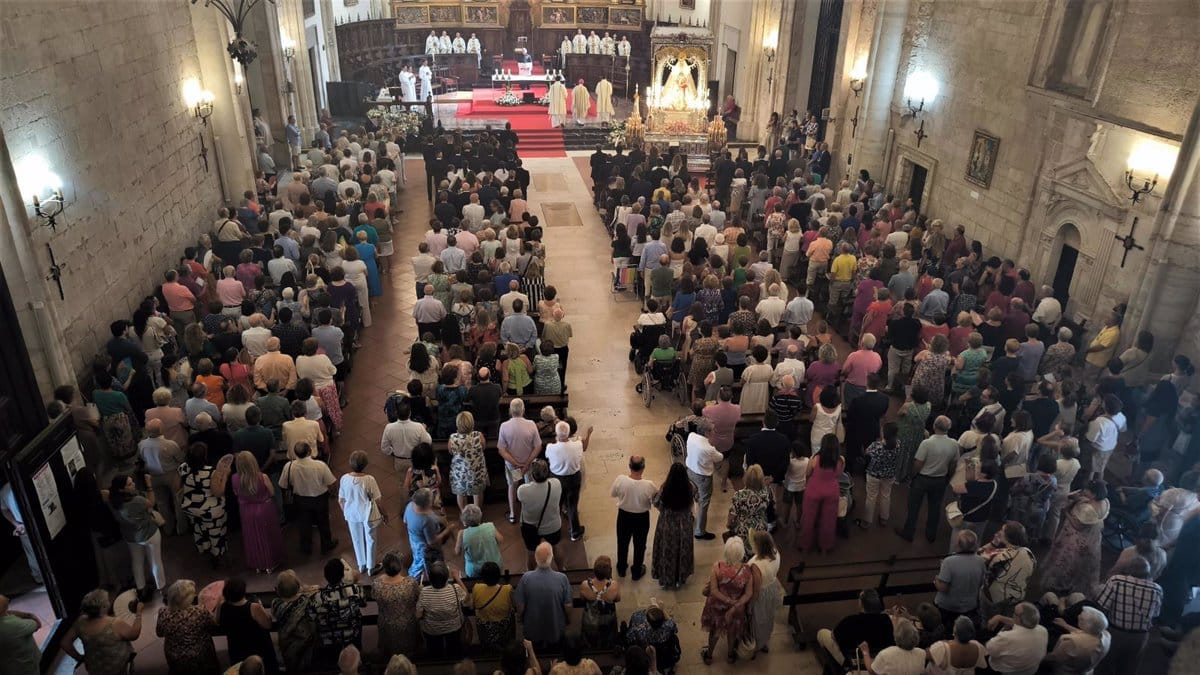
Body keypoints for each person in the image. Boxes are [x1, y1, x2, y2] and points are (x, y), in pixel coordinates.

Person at [1040, 480, 1110, 594]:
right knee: (1082, 564)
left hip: (1075, 539)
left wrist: (1067, 511)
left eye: (1087, 490)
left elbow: (1077, 525)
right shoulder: (1104, 502)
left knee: (1066, 561)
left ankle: (1060, 585)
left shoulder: (1088, 509)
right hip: (1093, 539)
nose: (1084, 491)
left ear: (1094, 494)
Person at [1095, 557, 1162, 675]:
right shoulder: (1157, 589)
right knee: (1129, 668)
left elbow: (1102, 606)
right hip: (1140, 636)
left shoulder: (1116, 581)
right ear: (1148, 572)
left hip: (1116, 632)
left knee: (1105, 665)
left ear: (1128, 570)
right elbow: (1155, 615)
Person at [897, 415, 958, 543]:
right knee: (935, 508)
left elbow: (918, 463)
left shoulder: (927, 443)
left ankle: (909, 532)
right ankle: (931, 535)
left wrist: (912, 476)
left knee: (914, 507)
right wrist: (948, 477)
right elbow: (953, 464)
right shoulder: (954, 444)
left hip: (922, 479)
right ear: (949, 428)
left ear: (934, 426)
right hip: (940, 479)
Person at [699, 537, 758, 664]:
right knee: (732, 631)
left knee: (714, 631)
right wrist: (736, 604)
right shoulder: (746, 571)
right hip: (737, 608)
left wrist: (728, 601)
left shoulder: (718, 567)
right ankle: (730, 655)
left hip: (717, 606)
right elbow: (749, 593)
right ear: (741, 552)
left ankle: (709, 656)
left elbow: (714, 591)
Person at [60, 589, 140, 675]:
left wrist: (79, 658)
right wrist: (139, 614)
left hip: (95, 669)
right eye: (107, 601)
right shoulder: (114, 623)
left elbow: (65, 643)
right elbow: (134, 634)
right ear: (103, 607)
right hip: (117, 667)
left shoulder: (80, 622)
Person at [279, 441, 339, 556]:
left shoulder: (289, 466)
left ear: (295, 453)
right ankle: (326, 544)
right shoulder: (320, 465)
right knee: (323, 522)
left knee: (304, 524)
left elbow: (282, 485)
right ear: (309, 451)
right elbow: (332, 482)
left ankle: (306, 547)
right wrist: (333, 493)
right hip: (320, 499)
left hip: (301, 500)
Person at [179, 442, 231, 565]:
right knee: (215, 531)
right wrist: (224, 476)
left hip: (191, 508)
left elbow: (179, 486)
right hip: (210, 510)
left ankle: (203, 547)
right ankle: (216, 553)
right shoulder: (211, 472)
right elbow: (218, 492)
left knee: (198, 528)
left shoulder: (183, 467)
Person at [232, 451, 285, 574]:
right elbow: (272, 492)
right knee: (268, 536)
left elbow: (236, 493)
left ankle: (257, 563)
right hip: (264, 509)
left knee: (252, 537)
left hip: (246, 510)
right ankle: (271, 562)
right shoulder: (262, 477)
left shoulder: (234, 478)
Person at [816, 588, 895, 670]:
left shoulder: (850, 621)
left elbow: (834, 636)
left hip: (854, 661)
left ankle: (840, 669)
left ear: (861, 603)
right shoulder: (886, 619)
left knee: (822, 633)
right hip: (883, 659)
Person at [307, 559, 367, 662]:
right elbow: (363, 604)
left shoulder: (318, 597)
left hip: (329, 640)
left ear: (326, 576)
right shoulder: (355, 590)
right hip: (352, 635)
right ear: (342, 575)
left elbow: (310, 616)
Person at [516, 542, 572, 649]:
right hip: (555, 626)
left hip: (532, 627)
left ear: (536, 559)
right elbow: (568, 605)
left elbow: (520, 606)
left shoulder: (526, 578)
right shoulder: (562, 578)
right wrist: (568, 619)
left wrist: (520, 618)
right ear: (551, 558)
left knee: (535, 652)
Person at [216, 577, 278, 674]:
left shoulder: (222, 606)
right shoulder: (253, 607)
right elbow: (268, 624)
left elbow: (218, 621)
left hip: (236, 648)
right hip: (257, 648)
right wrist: (260, 605)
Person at [339, 450, 386, 575]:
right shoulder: (369, 479)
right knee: (370, 539)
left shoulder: (344, 478)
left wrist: (346, 512)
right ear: (365, 464)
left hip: (351, 514)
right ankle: (371, 567)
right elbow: (378, 499)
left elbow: (341, 500)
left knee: (356, 539)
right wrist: (383, 513)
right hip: (368, 514)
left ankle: (361, 564)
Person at [611, 454, 658, 580]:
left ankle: (621, 568)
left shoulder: (621, 480)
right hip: (641, 518)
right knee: (640, 544)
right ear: (643, 468)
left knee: (622, 542)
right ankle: (636, 571)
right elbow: (656, 500)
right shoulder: (649, 485)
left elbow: (613, 493)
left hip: (623, 516)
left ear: (629, 466)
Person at [978, 521, 1036, 620]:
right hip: (1015, 597)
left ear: (1007, 537)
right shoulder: (1029, 553)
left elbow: (977, 555)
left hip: (993, 596)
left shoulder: (999, 555)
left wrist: (993, 543)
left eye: (1002, 530)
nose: (999, 532)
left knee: (988, 619)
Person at [651, 462, 695, 589]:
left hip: (668, 524)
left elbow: (657, 503)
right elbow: (693, 502)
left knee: (668, 550)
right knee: (682, 550)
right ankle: (680, 577)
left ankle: (667, 578)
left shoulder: (665, 488)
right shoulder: (690, 487)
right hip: (684, 525)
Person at [499, 397, 543, 523]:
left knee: (513, 486)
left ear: (510, 410)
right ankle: (530, 513)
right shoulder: (531, 424)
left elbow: (502, 450)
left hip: (514, 466)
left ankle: (513, 514)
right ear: (523, 410)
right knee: (529, 486)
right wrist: (526, 463)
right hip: (527, 465)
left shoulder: (504, 426)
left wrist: (516, 463)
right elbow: (538, 446)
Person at [546, 420, 590, 541]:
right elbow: (583, 446)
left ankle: (554, 529)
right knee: (572, 506)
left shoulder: (550, 447)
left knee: (556, 505)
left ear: (556, 434)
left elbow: (549, 458)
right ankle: (574, 532)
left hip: (557, 479)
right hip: (573, 479)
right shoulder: (578, 445)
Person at [517, 459, 564, 570]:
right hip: (553, 525)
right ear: (548, 472)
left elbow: (520, 494)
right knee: (556, 547)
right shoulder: (556, 484)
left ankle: (530, 573)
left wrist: (521, 472)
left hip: (530, 527)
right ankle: (562, 569)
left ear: (532, 475)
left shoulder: (522, 490)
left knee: (530, 552)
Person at [934, 530, 986, 629]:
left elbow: (943, 588)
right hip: (970, 607)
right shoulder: (980, 561)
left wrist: (936, 580)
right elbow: (982, 583)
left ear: (958, 544)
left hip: (948, 607)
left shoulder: (949, 562)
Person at [416, 561, 468, 656]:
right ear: (447, 578)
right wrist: (457, 578)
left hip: (432, 630)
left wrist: (420, 592)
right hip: (454, 627)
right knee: (454, 651)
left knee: (435, 652)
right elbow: (467, 598)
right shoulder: (455, 588)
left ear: (430, 578)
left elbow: (418, 615)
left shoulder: (424, 592)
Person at [271, 570, 317, 673]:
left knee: (291, 664)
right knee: (306, 663)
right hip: (305, 642)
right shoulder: (305, 601)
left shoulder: (276, 604)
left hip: (286, 643)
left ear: (277, 590)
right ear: (298, 588)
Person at [373, 552, 419, 656]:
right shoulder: (411, 583)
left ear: (385, 568)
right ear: (400, 566)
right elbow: (417, 596)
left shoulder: (377, 584)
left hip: (387, 625)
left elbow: (375, 597)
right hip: (407, 625)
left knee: (388, 655)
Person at [983, 602, 1047, 675]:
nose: (1012, 615)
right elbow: (1021, 624)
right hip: (1031, 670)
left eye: (1014, 613)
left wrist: (1002, 632)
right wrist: (1000, 617)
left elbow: (988, 649)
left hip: (1008, 672)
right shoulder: (1043, 630)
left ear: (1019, 618)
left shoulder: (1006, 637)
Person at [685, 418, 723, 539]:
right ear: (706, 432)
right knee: (703, 503)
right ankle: (700, 532)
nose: (714, 432)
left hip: (690, 471)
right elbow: (720, 457)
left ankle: (689, 517)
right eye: (712, 430)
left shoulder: (691, 436)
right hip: (703, 477)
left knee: (691, 496)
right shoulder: (708, 448)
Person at [1043, 606, 1110, 674]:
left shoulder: (1072, 641)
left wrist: (1037, 658)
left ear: (1086, 625)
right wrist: (1065, 625)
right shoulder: (1106, 635)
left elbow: (1054, 658)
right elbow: (1087, 634)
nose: (1078, 616)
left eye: (1081, 618)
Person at [747, 531, 784, 655]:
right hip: (772, 589)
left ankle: (756, 646)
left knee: (757, 621)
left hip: (761, 595)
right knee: (768, 618)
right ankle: (764, 641)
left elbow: (756, 590)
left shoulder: (756, 565)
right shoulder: (775, 553)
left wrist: (750, 605)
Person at [403, 487, 453, 577]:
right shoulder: (427, 520)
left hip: (414, 540)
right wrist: (448, 530)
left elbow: (405, 522)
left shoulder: (410, 505)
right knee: (420, 564)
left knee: (417, 557)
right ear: (427, 504)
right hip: (424, 548)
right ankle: (413, 579)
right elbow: (432, 542)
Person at [472, 561, 516, 651]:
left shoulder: (476, 588)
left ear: (483, 577)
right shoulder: (507, 589)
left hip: (485, 628)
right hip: (504, 626)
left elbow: (473, 605)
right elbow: (514, 605)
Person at [449, 411, 488, 510]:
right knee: (477, 492)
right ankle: (477, 514)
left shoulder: (453, 438)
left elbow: (451, 451)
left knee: (461, 494)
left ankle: (464, 514)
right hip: (476, 472)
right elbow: (483, 447)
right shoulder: (478, 435)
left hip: (460, 473)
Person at [858, 618, 925, 675]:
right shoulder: (922, 653)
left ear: (896, 635)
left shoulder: (886, 653)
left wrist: (865, 651)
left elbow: (872, 671)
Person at [580, 555, 621, 647]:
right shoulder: (614, 585)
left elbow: (582, 599)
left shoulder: (585, 585)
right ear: (608, 572)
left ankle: (590, 644)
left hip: (590, 618)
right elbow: (617, 599)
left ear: (594, 570)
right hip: (607, 619)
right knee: (607, 634)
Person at [456, 503, 503, 576]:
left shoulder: (462, 534)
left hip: (476, 571)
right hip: (495, 565)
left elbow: (457, 552)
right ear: (480, 516)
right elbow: (501, 540)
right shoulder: (490, 526)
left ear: (464, 521)